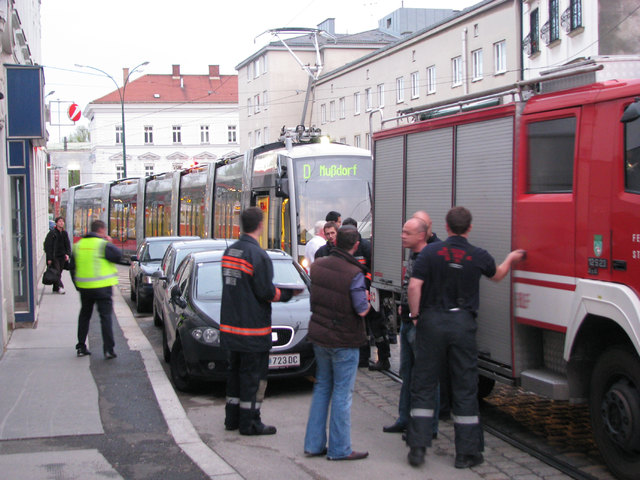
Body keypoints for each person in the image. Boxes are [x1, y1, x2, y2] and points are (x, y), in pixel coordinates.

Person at [406, 206, 525, 468]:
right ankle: (466, 454)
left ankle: (417, 448)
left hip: (432, 321)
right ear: (469, 228)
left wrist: (416, 316)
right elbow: (498, 275)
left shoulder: (429, 253)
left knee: (424, 383)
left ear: (446, 227)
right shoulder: (477, 255)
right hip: (462, 325)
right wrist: (512, 258)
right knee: (465, 386)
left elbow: (414, 286)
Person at [220, 207, 294, 436]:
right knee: (254, 378)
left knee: (234, 374)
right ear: (260, 225)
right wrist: (287, 294)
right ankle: (250, 422)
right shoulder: (258, 256)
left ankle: (232, 418)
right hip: (253, 331)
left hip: (230, 329)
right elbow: (266, 292)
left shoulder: (230, 252)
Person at [303, 225, 370, 461]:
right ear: (355, 245)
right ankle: (340, 449)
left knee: (322, 388)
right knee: (342, 393)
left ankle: (313, 444)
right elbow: (361, 310)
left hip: (320, 335)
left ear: (335, 241)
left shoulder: (318, 266)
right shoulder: (354, 272)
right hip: (344, 339)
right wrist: (368, 302)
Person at [384, 213, 441, 435]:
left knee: (425, 378)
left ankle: (428, 426)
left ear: (422, 233)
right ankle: (404, 418)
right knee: (407, 374)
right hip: (408, 320)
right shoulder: (414, 253)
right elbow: (408, 283)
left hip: (419, 323)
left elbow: (426, 289)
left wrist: (417, 315)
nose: (402, 236)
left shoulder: (430, 255)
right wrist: (403, 305)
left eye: (407, 232)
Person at [341, 217, 390, 371]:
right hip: (353, 295)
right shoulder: (343, 249)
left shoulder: (366, 247)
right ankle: (362, 359)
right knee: (360, 329)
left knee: (377, 327)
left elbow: (373, 269)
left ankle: (384, 358)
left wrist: (366, 286)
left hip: (369, 294)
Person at [71, 220, 121, 358]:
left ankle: (81, 346)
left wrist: (77, 285)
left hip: (85, 288)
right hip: (103, 288)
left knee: (84, 316)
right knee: (105, 318)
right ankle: (108, 350)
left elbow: (72, 267)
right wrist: (109, 242)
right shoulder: (102, 245)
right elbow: (118, 256)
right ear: (101, 230)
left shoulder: (78, 245)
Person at [44, 216, 71, 294]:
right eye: (59, 221)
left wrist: (68, 254)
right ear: (56, 223)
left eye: (62, 221)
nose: (61, 223)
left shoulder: (64, 233)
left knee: (59, 272)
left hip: (62, 257)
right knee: (57, 272)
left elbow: (68, 245)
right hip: (54, 257)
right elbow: (47, 246)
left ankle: (55, 288)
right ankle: (60, 287)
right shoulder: (52, 233)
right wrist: (49, 258)